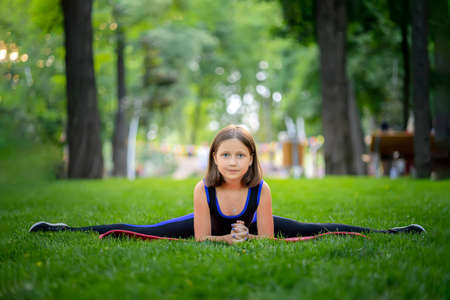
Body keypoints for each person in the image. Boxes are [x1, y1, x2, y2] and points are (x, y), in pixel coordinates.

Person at [29, 125, 426, 244]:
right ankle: (65, 230)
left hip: (250, 225)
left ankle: (389, 233)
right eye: (226, 155)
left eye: (240, 155)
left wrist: (250, 237)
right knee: (142, 232)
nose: (233, 161)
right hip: (213, 226)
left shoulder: (261, 190)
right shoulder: (202, 190)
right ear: (214, 160)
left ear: (252, 158)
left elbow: (268, 239)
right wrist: (227, 239)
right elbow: (201, 239)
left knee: (314, 229)